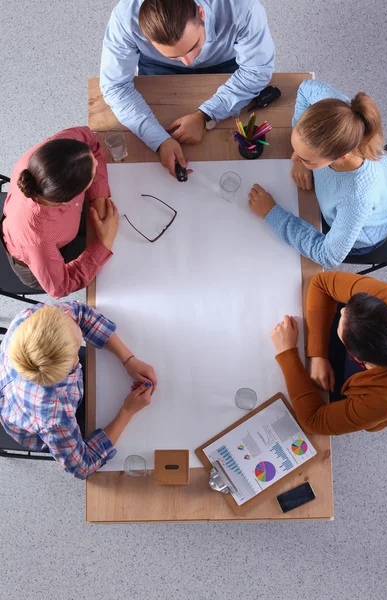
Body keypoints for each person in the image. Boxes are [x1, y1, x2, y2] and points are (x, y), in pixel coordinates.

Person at [100, 0, 275, 178]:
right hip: (159, 65)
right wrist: (159, 139)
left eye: (193, 46)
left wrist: (206, 115)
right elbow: (116, 87)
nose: (188, 62)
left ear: (201, 13)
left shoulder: (244, 8)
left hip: (225, 61)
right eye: (176, 55)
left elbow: (256, 71)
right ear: (144, 35)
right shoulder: (125, 19)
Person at [248, 80, 387, 269]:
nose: (294, 159)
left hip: (365, 233)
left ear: (341, 157)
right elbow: (305, 88)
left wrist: (272, 214)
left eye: (306, 159)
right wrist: (305, 160)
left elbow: (328, 256)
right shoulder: (341, 114)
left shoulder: (355, 197)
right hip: (371, 196)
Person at [0, 301, 157, 479]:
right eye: (78, 343)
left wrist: (128, 359)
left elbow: (80, 314)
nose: (70, 316)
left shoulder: (30, 319)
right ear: (72, 367)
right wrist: (127, 411)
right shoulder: (55, 417)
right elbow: (83, 465)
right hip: (28, 420)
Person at [270, 271, 387, 436]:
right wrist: (317, 354)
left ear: (356, 357)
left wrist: (287, 352)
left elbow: (314, 420)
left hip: (382, 398)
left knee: (330, 395)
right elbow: (322, 283)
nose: (344, 310)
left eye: (342, 322)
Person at [1, 126, 119, 299]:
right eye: (92, 176)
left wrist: (99, 197)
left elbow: (91, 141)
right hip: (36, 265)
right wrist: (103, 244)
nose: (96, 161)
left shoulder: (56, 151)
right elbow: (60, 288)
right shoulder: (38, 240)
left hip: (57, 233)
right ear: (70, 199)